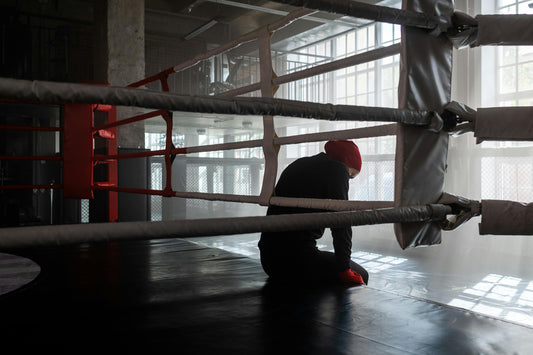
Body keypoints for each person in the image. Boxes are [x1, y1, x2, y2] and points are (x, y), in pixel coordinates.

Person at [258, 140, 369, 286]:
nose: (348, 180)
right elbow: (342, 223)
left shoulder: (300, 163)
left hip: (269, 259)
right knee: (362, 275)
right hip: (296, 261)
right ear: (345, 163)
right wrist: (344, 269)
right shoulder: (338, 169)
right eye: (351, 175)